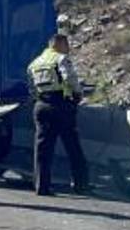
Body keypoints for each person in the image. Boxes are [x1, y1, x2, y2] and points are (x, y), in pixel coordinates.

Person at [28, 33, 90, 195]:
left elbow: (31, 85)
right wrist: (78, 93)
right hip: (61, 105)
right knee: (72, 146)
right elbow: (69, 77)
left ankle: (42, 186)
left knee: (42, 148)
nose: (68, 49)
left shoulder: (35, 63)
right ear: (59, 44)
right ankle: (81, 184)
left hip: (41, 105)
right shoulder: (60, 59)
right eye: (66, 45)